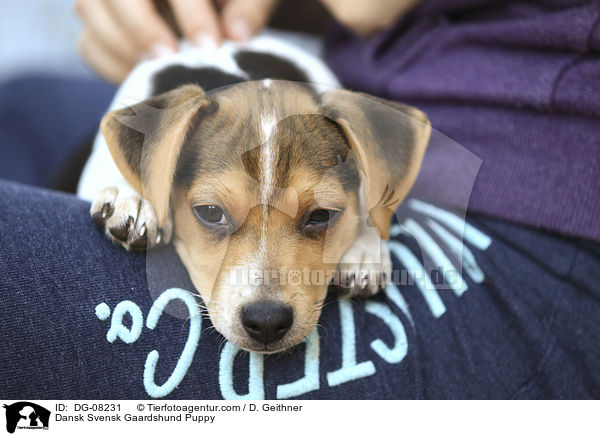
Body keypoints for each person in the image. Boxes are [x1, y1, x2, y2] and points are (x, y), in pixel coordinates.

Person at [1, 0, 598, 399]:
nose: (266, 298)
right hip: (351, 82)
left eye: (316, 218)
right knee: (21, 108)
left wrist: (368, 232)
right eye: (214, 214)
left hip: (542, 220)